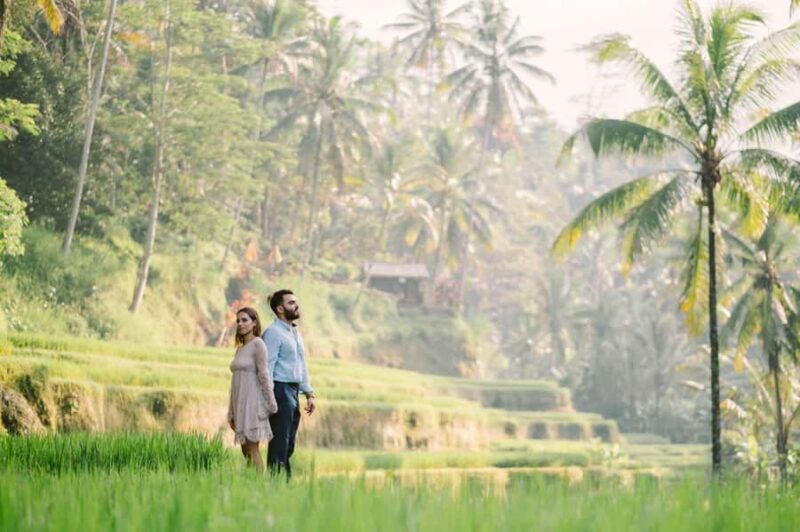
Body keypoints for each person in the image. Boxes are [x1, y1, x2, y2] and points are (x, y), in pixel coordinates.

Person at [263, 289, 316, 478]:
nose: (296, 305)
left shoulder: (294, 332)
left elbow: (301, 364)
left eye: (295, 302)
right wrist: (269, 398)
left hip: (293, 391)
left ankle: (282, 483)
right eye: (291, 303)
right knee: (280, 442)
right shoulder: (273, 333)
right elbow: (266, 368)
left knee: (289, 443)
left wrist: (308, 393)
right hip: (280, 389)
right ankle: (277, 483)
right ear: (280, 309)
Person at [227, 307, 278, 471]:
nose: (240, 324)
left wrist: (271, 403)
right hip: (240, 403)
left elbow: (264, 374)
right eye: (238, 321)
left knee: (252, 448)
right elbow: (234, 382)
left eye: (244, 320)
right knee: (244, 449)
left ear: (254, 322)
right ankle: (252, 482)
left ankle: (260, 485)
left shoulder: (258, 344)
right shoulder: (240, 349)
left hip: (253, 402)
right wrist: (232, 411)